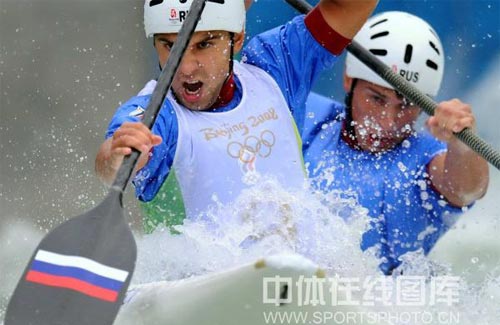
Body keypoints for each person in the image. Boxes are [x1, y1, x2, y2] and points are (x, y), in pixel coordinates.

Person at [95, 0, 379, 232]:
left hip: (297, 279)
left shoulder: (276, 66)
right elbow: (111, 165)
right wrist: (118, 155)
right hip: (199, 290)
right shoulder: (155, 113)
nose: (186, 68)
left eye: (204, 44)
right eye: (170, 45)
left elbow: (353, 5)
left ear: (238, 38)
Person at [302, 11, 489, 274]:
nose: (388, 122)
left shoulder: (425, 159)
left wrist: (463, 144)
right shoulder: (307, 114)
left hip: (372, 307)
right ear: (348, 79)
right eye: (376, 99)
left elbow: (467, 189)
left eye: (407, 105)